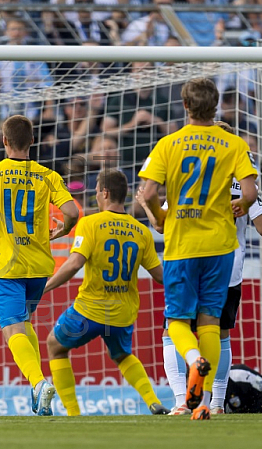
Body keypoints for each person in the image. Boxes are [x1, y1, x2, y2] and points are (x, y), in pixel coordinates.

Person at [139, 77, 258, 420]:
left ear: (185, 105)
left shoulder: (169, 143)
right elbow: (249, 193)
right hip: (221, 246)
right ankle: (204, 402)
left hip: (183, 244)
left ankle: (192, 361)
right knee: (209, 320)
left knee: (176, 319)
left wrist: (161, 217)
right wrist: (240, 207)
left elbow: (147, 193)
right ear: (215, 106)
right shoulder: (233, 144)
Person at [0, 115, 79, 416]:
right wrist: (63, 229)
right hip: (39, 266)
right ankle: (38, 393)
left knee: (11, 329)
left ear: (4, 141)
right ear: (31, 141)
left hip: (8, 267)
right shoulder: (47, 175)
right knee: (24, 324)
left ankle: (38, 383)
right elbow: (71, 210)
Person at [43, 168, 168, 416]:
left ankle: (73, 413)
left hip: (90, 310)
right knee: (122, 354)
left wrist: (44, 287)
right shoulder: (141, 231)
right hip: (122, 313)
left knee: (54, 345)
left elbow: (74, 264)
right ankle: (153, 401)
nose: (96, 196)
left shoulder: (89, 223)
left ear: (106, 193)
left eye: (98, 191)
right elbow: (160, 276)